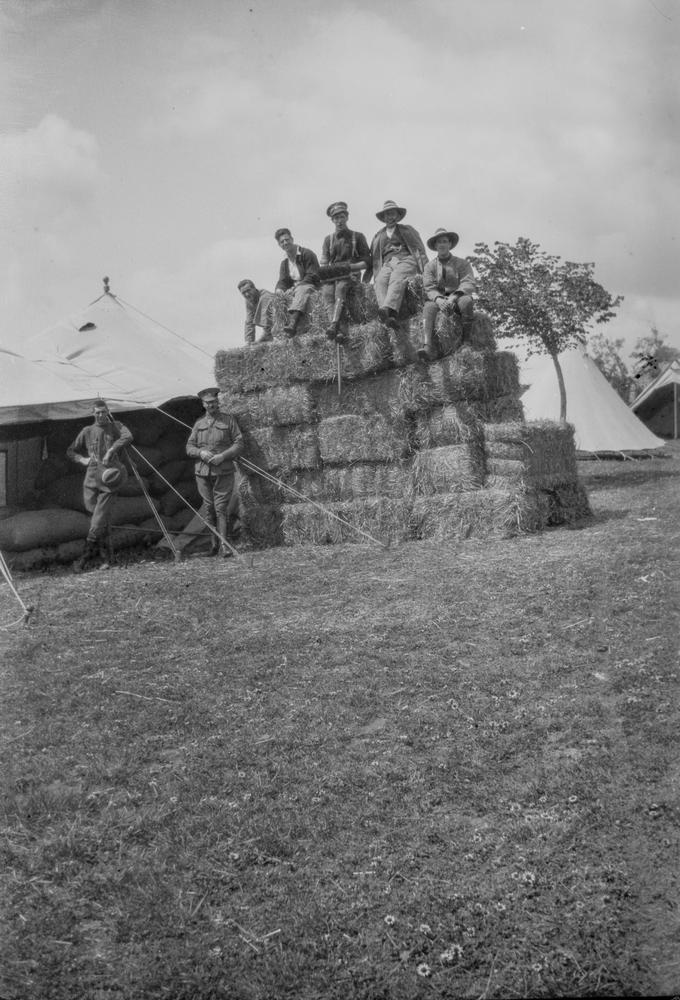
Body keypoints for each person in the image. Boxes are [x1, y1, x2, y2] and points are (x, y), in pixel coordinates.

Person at [66, 399, 133, 571]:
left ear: (108, 411)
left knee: (98, 519)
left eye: (103, 412)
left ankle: (84, 559)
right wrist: (82, 459)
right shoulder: (87, 431)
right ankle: (106, 558)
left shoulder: (115, 426)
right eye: (97, 412)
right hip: (91, 478)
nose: (101, 415)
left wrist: (112, 450)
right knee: (98, 517)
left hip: (109, 478)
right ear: (92, 413)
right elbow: (71, 450)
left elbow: (128, 436)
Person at [186, 387, 244, 557]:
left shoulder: (228, 421)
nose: (211, 405)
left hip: (223, 471)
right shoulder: (199, 424)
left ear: (218, 402)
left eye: (213, 402)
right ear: (203, 404)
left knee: (221, 508)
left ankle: (224, 545)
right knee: (209, 508)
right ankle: (213, 545)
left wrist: (223, 456)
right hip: (202, 472)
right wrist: (200, 453)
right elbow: (189, 447)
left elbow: (239, 443)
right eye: (207, 403)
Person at [368, 200, 428, 329]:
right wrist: (365, 278)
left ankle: (388, 309)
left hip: (406, 259)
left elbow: (419, 250)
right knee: (380, 280)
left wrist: (427, 271)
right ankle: (388, 317)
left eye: (393, 214)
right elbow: (373, 259)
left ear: (398, 215)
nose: (390, 217)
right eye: (387, 214)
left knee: (397, 276)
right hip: (388, 263)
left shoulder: (407, 230)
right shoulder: (378, 236)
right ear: (383, 217)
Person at [420, 227, 476, 361]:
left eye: (445, 241)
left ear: (450, 244)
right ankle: (427, 345)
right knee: (428, 308)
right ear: (435, 246)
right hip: (439, 299)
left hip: (458, 296)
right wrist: (438, 299)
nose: (442, 245)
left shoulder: (462, 263)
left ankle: (466, 342)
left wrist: (454, 297)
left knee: (467, 302)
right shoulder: (429, 267)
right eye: (439, 242)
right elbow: (429, 287)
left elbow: (468, 282)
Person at [319, 201, 371, 344]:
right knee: (327, 292)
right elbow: (324, 262)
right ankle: (339, 330)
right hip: (333, 274)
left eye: (342, 217)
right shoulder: (328, 240)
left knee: (341, 288)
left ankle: (334, 324)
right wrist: (326, 270)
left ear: (347, 217)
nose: (339, 221)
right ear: (332, 220)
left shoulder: (357, 236)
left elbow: (367, 262)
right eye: (336, 218)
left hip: (350, 273)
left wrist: (350, 267)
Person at [274, 228, 321, 338]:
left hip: (311, 284)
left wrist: (296, 287)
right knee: (277, 297)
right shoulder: (284, 262)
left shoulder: (307, 253)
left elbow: (312, 274)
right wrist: (279, 289)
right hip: (296, 288)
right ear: (279, 245)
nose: (285, 243)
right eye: (282, 242)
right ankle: (277, 332)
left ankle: (293, 323)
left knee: (301, 289)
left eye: (287, 240)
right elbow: (282, 280)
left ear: (292, 239)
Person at [237, 278, 274, 344]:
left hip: (279, 327)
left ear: (254, 288)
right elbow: (249, 321)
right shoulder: (249, 301)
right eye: (243, 293)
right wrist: (248, 342)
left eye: (248, 290)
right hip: (268, 331)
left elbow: (265, 318)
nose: (247, 294)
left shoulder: (265, 296)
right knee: (253, 345)